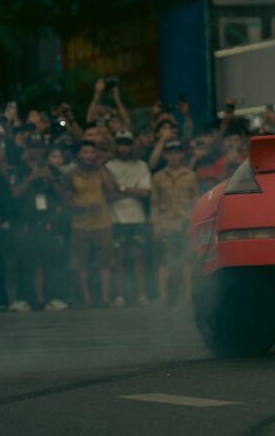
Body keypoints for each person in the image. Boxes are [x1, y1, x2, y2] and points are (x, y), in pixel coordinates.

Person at [7, 135, 62, 310]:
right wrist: (31, 178)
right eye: (32, 147)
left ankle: (51, 297)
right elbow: (13, 194)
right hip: (25, 221)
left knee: (49, 260)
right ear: (27, 149)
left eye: (39, 147)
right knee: (26, 261)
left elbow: (64, 195)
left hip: (47, 220)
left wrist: (50, 178)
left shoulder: (52, 170)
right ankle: (25, 298)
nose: (36, 151)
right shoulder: (19, 170)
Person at [60, 140, 115, 307]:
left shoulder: (102, 171)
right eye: (85, 152)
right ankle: (87, 299)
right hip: (80, 223)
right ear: (78, 155)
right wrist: (84, 206)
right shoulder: (70, 175)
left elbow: (112, 189)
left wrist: (101, 166)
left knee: (105, 261)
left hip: (102, 222)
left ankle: (105, 298)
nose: (89, 156)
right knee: (80, 263)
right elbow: (66, 201)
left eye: (92, 152)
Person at [105, 131, 152, 306]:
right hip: (116, 219)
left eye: (127, 144)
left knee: (139, 257)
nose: (124, 147)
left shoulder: (141, 165)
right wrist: (132, 191)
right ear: (116, 146)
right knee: (118, 259)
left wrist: (122, 189)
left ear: (132, 145)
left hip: (137, 218)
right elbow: (109, 194)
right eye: (121, 144)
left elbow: (145, 193)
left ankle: (141, 295)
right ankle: (119, 295)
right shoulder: (109, 166)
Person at [150, 140, 199, 305]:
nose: (173, 156)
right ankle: (163, 296)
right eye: (170, 153)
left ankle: (188, 295)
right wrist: (155, 224)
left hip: (186, 221)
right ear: (165, 155)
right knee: (164, 260)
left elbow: (195, 200)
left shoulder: (190, 176)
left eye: (177, 152)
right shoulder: (158, 177)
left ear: (182, 154)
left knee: (187, 260)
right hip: (166, 223)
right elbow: (155, 203)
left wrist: (194, 223)